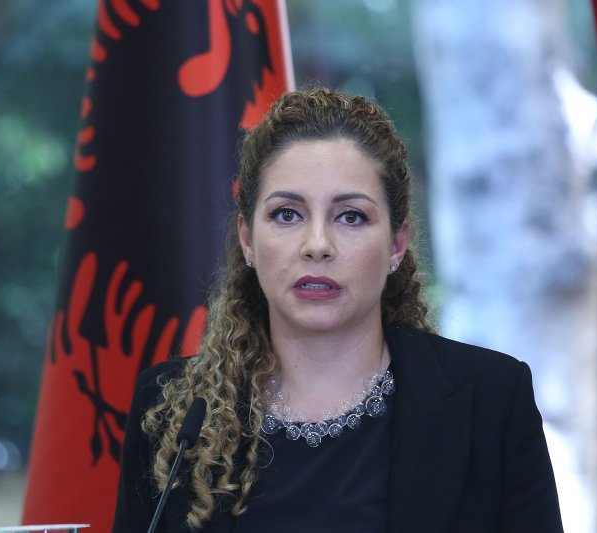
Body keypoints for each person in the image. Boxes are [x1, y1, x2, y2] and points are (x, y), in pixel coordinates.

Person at [111, 88, 563, 532]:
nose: (317, 245)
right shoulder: (173, 408)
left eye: (351, 216)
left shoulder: (491, 400)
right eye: (287, 214)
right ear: (248, 240)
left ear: (397, 245)